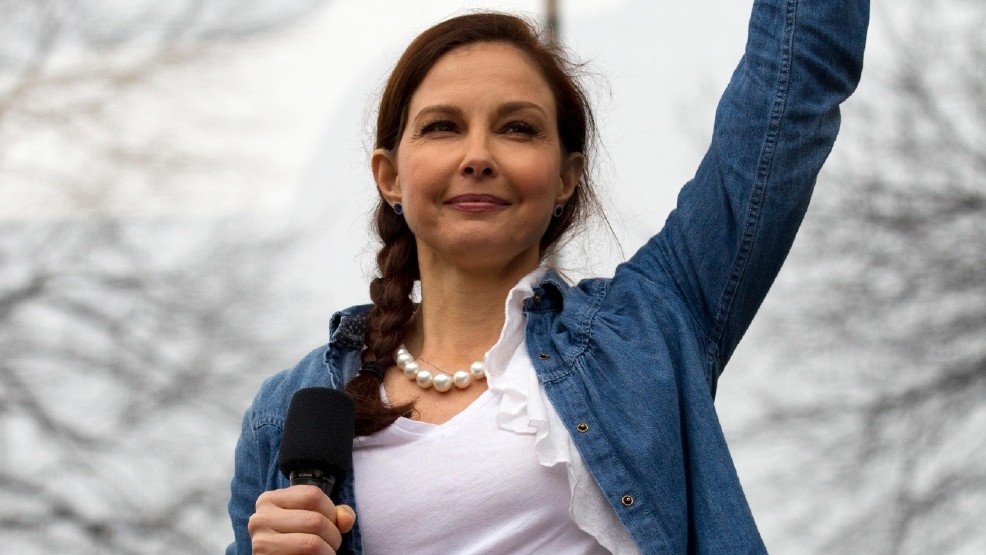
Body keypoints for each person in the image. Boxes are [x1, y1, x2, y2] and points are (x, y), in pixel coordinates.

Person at [227, 1, 869, 553]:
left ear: (566, 177)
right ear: (390, 177)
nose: (478, 156)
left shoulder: (649, 327)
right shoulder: (289, 411)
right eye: (443, 127)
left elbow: (790, 95)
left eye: (518, 128)